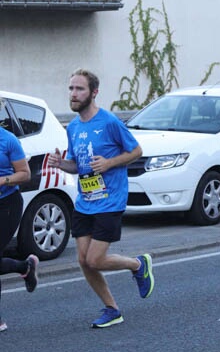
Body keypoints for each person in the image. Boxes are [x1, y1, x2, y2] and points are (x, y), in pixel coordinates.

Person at [48, 69, 154, 328]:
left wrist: (109, 163)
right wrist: (61, 164)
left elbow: (137, 151)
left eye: (79, 89)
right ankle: (112, 309)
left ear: (93, 93)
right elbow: (78, 165)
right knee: (83, 260)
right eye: (71, 88)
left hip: (110, 199)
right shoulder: (72, 127)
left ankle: (137, 264)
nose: (73, 94)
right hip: (85, 200)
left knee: (95, 259)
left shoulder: (109, 122)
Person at [0, 118, 39, 332]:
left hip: (7, 205)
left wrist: (3, 180)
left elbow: (25, 173)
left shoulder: (8, 140)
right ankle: (25, 267)